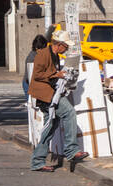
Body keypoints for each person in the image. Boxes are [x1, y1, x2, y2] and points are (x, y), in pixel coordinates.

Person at [29, 30, 89, 173]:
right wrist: (57, 74)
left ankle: (37, 161)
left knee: (49, 128)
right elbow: (37, 75)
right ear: (59, 44)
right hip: (46, 95)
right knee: (69, 113)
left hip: (51, 94)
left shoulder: (54, 55)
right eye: (65, 46)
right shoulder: (43, 54)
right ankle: (71, 151)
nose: (67, 48)